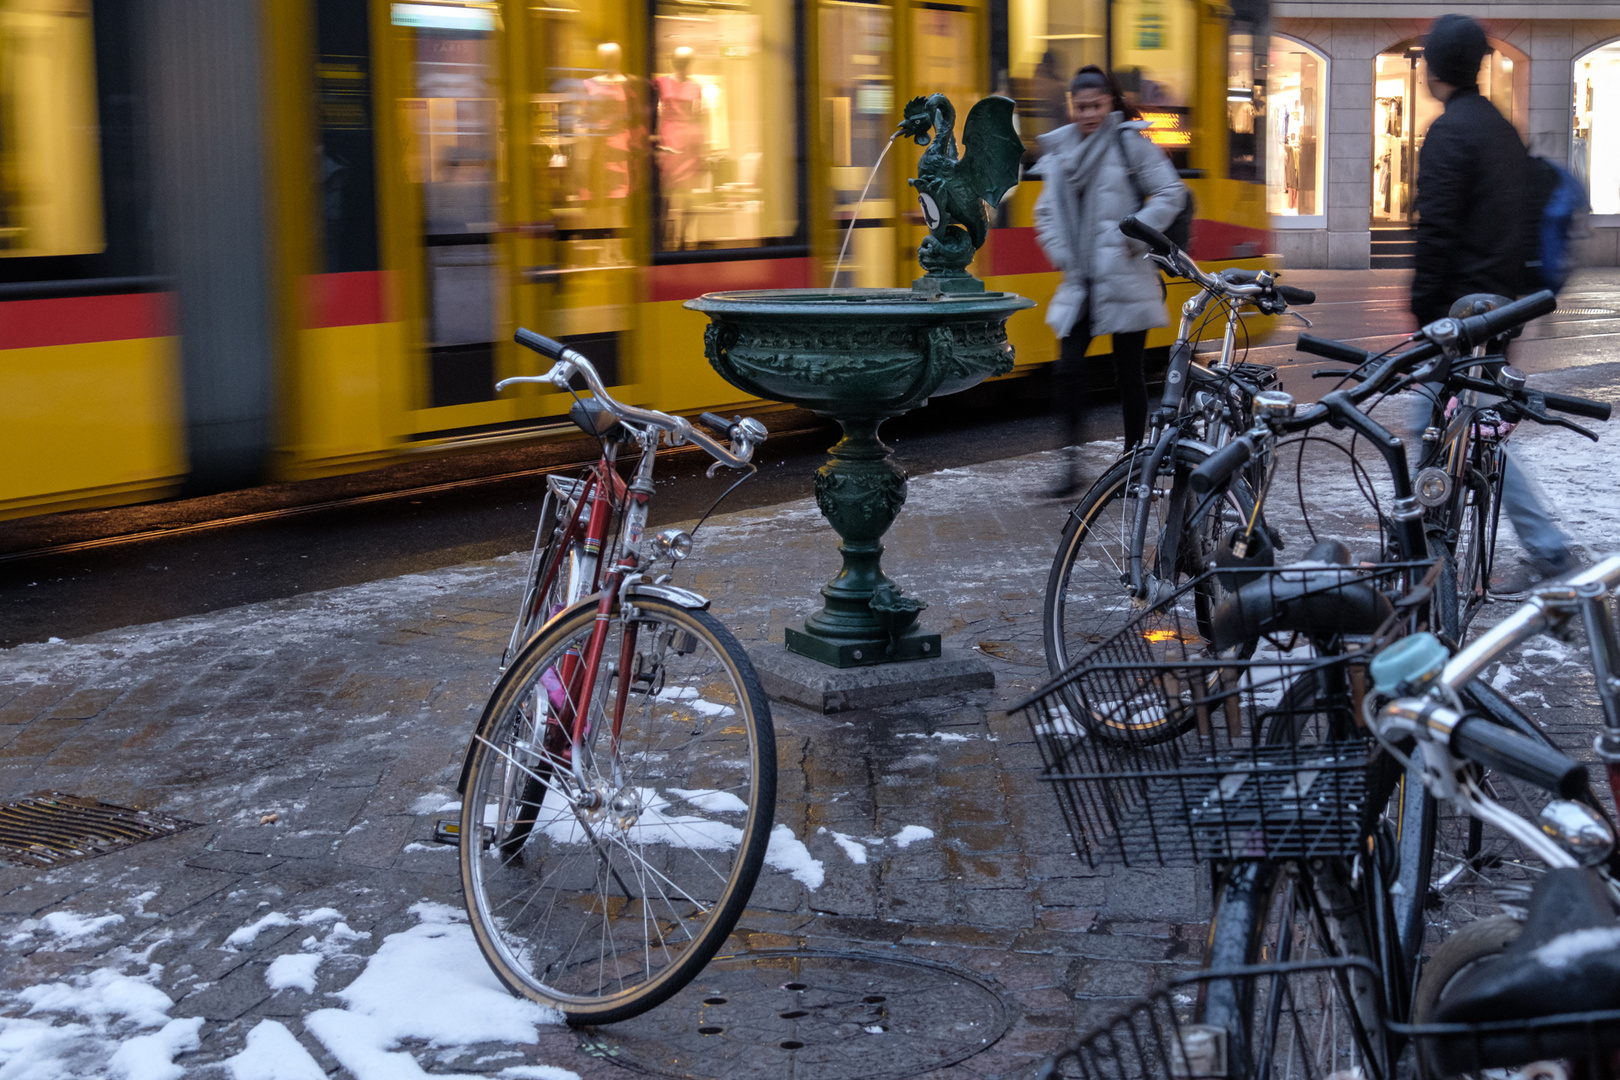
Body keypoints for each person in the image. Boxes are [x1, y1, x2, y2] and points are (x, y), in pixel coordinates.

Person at [1406, 14, 1581, 595]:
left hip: (1464, 316)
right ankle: (1424, 540)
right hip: (1500, 307)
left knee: (1446, 425)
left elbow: (1436, 233)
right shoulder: (1498, 128)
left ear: (1434, 67)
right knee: (1460, 427)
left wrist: (1425, 312)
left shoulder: (1451, 132)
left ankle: (1543, 552)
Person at [1033, 65, 1187, 497]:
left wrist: (1133, 235)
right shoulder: (1061, 151)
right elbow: (1044, 212)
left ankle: (1135, 463)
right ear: (1071, 106)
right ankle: (1070, 468)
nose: (1089, 114)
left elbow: (1172, 193)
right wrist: (1062, 253)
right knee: (1067, 370)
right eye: (1081, 107)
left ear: (1109, 103)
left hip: (1125, 275)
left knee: (1128, 374)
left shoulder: (1129, 143)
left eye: (1096, 105)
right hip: (1081, 281)